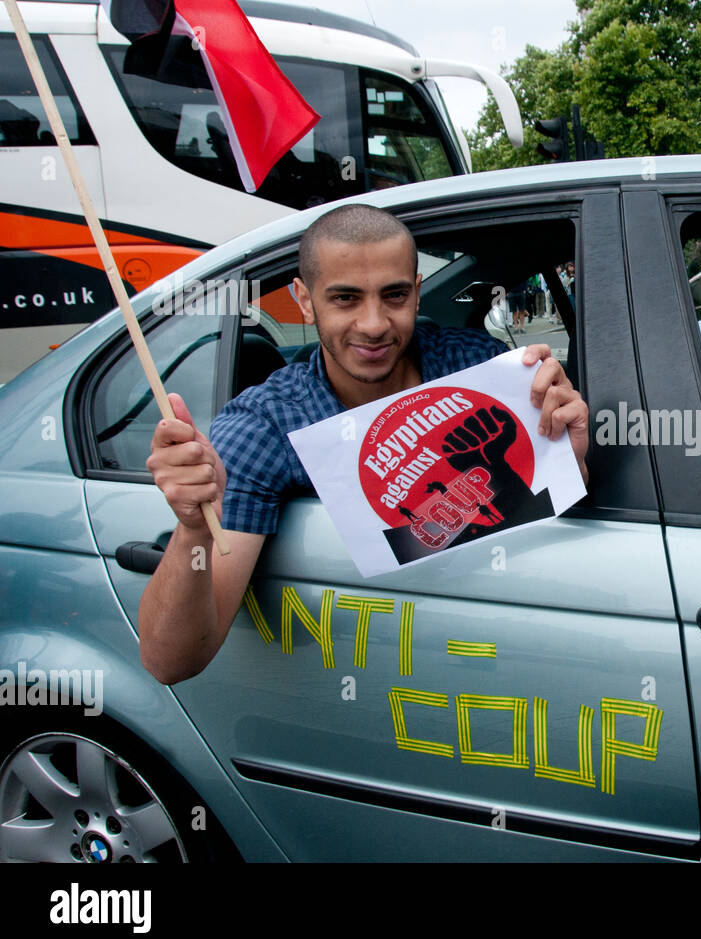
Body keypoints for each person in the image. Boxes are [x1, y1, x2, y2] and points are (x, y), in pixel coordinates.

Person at [139, 204, 589, 684]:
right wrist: (192, 529)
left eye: (393, 295)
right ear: (305, 301)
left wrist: (572, 452)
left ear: (416, 294)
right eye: (346, 299)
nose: (373, 324)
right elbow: (173, 661)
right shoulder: (265, 426)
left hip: (508, 664)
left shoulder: (474, 366)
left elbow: (558, 518)